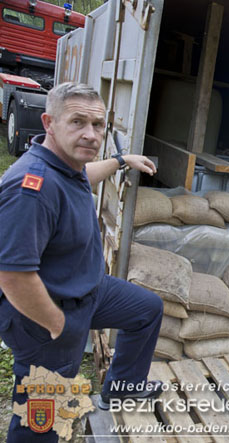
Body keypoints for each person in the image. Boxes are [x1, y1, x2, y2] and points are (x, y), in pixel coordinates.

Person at [0, 82, 164, 442]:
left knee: (147, 309)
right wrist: (58, 325)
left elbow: (82, 176)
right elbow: (12, 276)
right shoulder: (33, 188)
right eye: (77, 122)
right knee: (42, 422)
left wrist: (122, 161)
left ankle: (122, 386)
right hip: (46, 312)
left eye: (98, 125)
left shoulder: (65, 165)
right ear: (49, 122)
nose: (91, 134)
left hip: (86, 290)